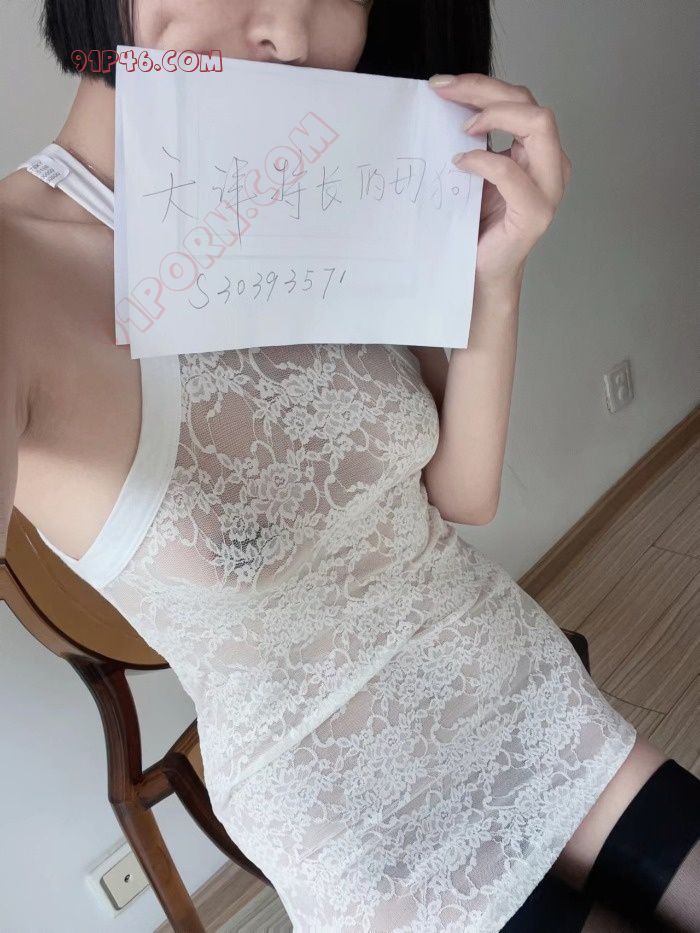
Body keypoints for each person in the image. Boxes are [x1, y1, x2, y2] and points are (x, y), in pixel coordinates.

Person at [1, 1, 698, 930]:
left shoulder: (327, 182)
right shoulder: (16, 273)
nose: (293, 35)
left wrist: (494, 278)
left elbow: (460, 494)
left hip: (513, 684)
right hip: (349, 815)